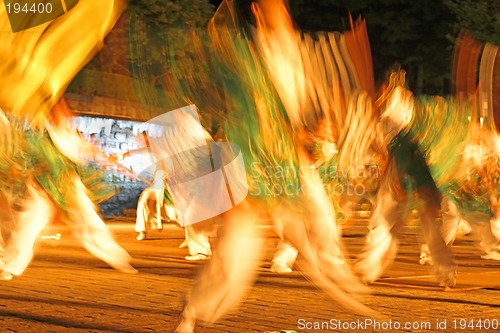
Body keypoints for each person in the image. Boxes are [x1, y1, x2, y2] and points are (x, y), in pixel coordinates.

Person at [0, 99, 137, 281]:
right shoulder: (40, 136)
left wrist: (112, 163)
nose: (66, 115)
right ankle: (10, 266)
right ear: (51, 116)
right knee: (29, 224)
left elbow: (89, 152)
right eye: (59, 111)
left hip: (68, 186)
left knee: (89, 222)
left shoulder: (70, 136)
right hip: (41, 187)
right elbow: (27, 158)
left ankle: (117, 258)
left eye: (64, 111)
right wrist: (28, 174)